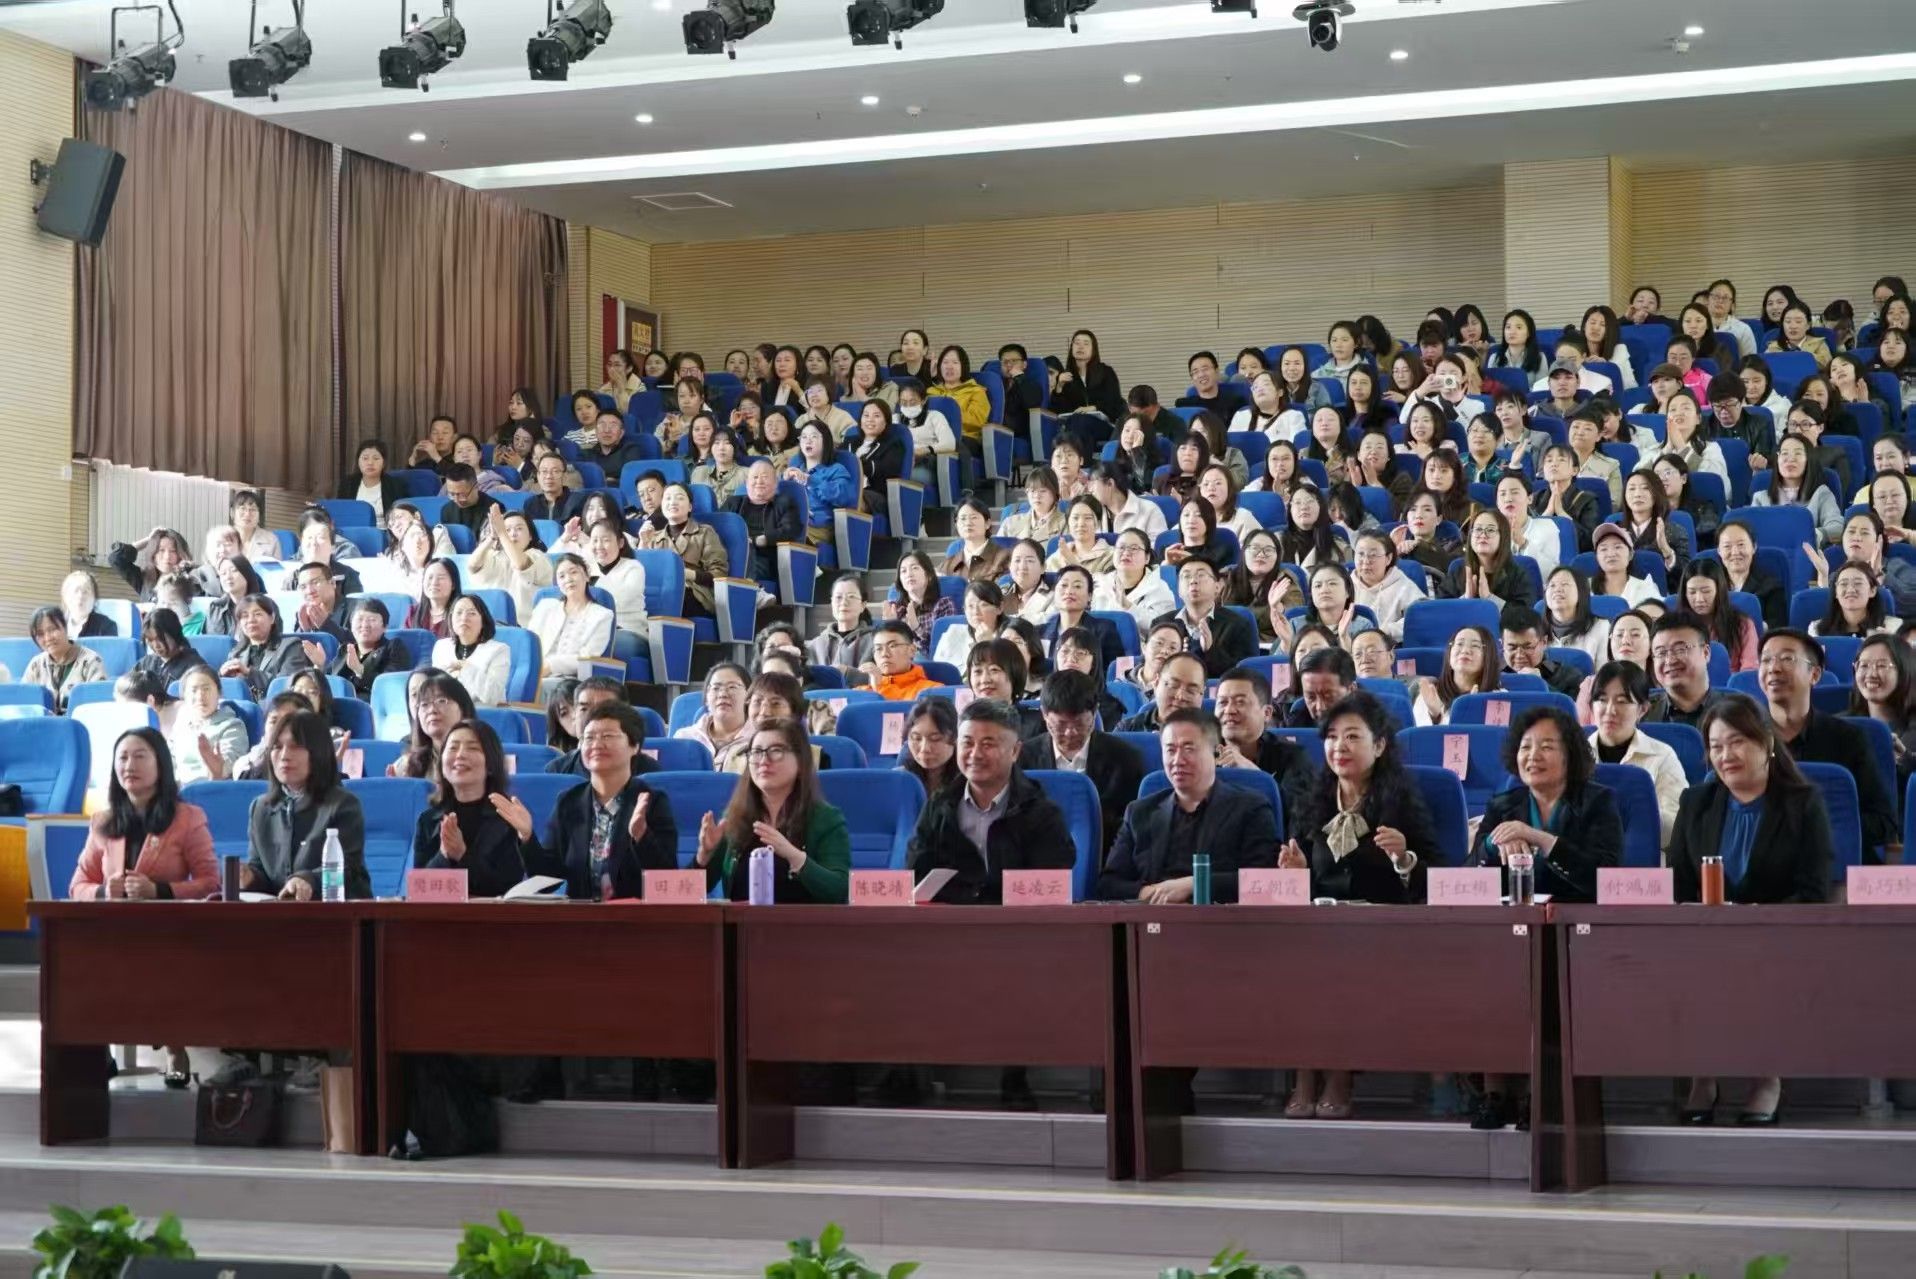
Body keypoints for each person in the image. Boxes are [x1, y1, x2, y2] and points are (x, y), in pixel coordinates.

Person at [1668, 695, 1833, 1126]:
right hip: (1707, 937)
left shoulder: (1802, 804)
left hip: (1778, 936)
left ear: (1767, 743)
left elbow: (1813, 890)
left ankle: (1766, 1077)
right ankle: (1703, 1076)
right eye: (1716, 746)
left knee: (1760, 962)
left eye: (1737, 742)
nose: (1726, 755)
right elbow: (1678, 886)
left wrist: (1762, 915)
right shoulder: (1696, 803)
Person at [499, 703, 679, 900]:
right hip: (581, 915)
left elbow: (666, 878)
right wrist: (527, 836)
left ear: (634, 746)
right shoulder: (569, 801)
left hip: (633, 915)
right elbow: (549, 879)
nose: (596, 744)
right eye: (589, 738)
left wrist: (642, 836)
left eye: (608, 736)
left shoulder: (652, 802)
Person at [1098, 708, 1280, 903]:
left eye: (1189, 749)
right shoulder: (1139, 813)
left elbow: (1262, 881)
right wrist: (1152, 893)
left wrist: (1193, 885)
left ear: (1217, 753)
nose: (1178, 761)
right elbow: (1108, 884)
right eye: (1170, 750)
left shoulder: (1251, 809)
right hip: (1152, 916)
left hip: (1220, 917)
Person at [1759, 628, 1897, 853]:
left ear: (1814, 674)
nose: (1773, 668)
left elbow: (1884, 824)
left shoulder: (1848, 739)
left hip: (1835, 862)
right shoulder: (1746, 739)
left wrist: (1817, 827)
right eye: (1766, 660)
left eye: (1787, 658)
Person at [1468, 705, 1622, 904]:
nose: (1533, 755)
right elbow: (1466, 878)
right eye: (1525, 747)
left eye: (1546, 747)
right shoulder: (1501, 806)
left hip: (1578, 917)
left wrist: (1541, 839)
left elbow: (1607, 880)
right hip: (1513, 918)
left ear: (1569, 756)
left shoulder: (1598, 802)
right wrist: (1492, 844)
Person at [692, 716, 850, 904]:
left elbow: (839, 892)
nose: (763, 761)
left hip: (805, 923)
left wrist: (795, 857)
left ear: (801, 762)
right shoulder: (735, 818)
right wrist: (703, 858)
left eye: (776, 751)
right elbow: (689, 892)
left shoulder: (826, 819)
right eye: (756, 752)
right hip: (742, 922)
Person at [1017, 669, 1147, 863]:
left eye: (1079, 723)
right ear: (1044, 714)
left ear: (1094, 713)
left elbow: (1129, 832)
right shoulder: (1023, 760)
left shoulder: (1125, 759)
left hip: (1105, 862)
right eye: (1061, 724)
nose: (1070, 732)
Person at [242, 710, 370, 899]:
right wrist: (248, 877)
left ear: (318, 753)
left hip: (335, 910)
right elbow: (262, 873)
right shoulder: (260, 808)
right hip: (281, 912)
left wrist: (309, 880)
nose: (284, 756)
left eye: (295, 746)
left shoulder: (343, 805)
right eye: (277, 747)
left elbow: (348, 869)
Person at [405, 719, 530, 898]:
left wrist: (462, 856)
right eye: (453, 748)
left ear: (491, 764)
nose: (460, 755)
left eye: (472, 748)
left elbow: (509, 889)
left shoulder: (508, 818)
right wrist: (444, 855)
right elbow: (419, 891)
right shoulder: (428, 820)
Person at [1587, 660, 1686, 848]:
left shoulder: (1662, 756)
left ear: (1642, 709)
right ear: (1591, 706)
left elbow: (1676, 827)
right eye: (1602, 700)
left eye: (1622, 701)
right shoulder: (1573, 756)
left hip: (1643, 860)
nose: (1610, 710)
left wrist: (1633, 812)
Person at [1213, 664, 1317, 828]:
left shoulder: (1292, 757)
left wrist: (1255, 775)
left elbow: (1299, 816)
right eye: (1222, 702)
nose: (1229, 710)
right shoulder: (1203, 754)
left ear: (1267, 713)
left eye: (1240, 702)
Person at [1153, 558, 1255, 679]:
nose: (1193, 581)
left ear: (1217, 587)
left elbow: (1244, 675)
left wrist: (1210, 650)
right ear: (1179, 590)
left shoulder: (1238, 625)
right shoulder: (1161, 624)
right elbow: (1151, 667)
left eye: (1201, 575)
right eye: (1186, 576)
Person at [526, 553, 617, 684]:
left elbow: (588, 658)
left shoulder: (602, 615)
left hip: (570, 680)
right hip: (535, 672)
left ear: (587, 575)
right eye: (561, 576)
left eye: (573, 572)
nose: (568, 579)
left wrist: (550, 666)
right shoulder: (545, 607)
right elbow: (529, 645)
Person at [1816, 510, 1916, 620]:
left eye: (1865, 533)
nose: (1856, 538)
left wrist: (1880, 577)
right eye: (1851, 531)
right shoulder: (1836, 576)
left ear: (1879, 541)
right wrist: (1823, 581)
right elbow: (1829, 615)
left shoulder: (1895, 566)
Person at [1750, 434, 1843, 545]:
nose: (1790, 459)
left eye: (1798, 453)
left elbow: (1838, 527)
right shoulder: (1761, 498)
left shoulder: (1820, 494)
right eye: (1784, 453)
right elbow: (1749, 533)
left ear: (1809, 459)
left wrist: (1815, 534)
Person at [1440, 507, 1536, 610]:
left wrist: (1490, 599)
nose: (1483, 535)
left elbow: (1525, 615)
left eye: (1490, 530)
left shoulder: (1518, 575)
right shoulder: (1457, 571)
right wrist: (1465, 600)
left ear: (1503, 537)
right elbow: (1440, 611)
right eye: (1478, 529)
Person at [165, 666, 247, 785]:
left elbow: (227, 766)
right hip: (175, 788)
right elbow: (168, 760)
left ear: (219, 693)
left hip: (210, 788)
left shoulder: (232, 726)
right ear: (184, 697)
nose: (200, 697)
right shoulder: (181, 724)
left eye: (206, 689)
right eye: (193, 690)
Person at [220, 594, 311, 700]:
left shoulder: (290, 646)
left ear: (272, 618)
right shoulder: (236, 653)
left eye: (257, 614)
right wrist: (222, 676)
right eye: (245, 616)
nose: (251, 620)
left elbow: (286, 685)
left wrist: (249, 673)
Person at [1413, 625, 1502, 727]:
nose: (1465, 650)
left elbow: (1498, 735)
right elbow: (1420, 735)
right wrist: (1435, 716)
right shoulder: (1431, 695)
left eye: (1475, 646)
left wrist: (1474, 715)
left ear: (1488, 657)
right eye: (1459, 644)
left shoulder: (1500, 698)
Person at [430, 595, 510, 706]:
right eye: (459, 613)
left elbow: (493, 696)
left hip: (483, 713)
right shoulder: (441, 647)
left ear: (483, 620)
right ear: (451, 618)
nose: (464, 618)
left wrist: (465, 667)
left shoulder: (498, 650)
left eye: (471, 613)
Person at [1680, 559, 1759, 671]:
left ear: (1719, 590)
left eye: (1706, 591)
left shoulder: (1742, 624)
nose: (1699, 599)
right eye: (1692, 592)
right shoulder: (1676, 628)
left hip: (1730, 682)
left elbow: (1749, 670)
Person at [1500, 605, 1584, 696]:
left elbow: (1576, 705)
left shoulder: (1569, 677)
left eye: (1528, 647)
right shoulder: (1493, 678)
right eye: (1512, 648)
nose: (1519, 655)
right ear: (1502, 644)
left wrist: (1541, 686)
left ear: (1544, 642)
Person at [1117, 650, 1207, 734]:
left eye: (1191, 691)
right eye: (1173, 685)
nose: (1180, 696)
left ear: (1202, 694)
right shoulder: (1128, 729)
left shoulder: (1211, 735)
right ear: (1157, 683)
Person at [887, 551, 955, 654]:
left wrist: (916, 628)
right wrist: (890, 626)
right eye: (903, 571)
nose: (909, 574)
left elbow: (942, 650)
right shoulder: (896, 610)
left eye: (914, 568)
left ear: (929, 575)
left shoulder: (944, 604)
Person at [1541, 566, 1610, 664]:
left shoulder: (1600, 627)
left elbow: (1603, 671)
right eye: (1552, 585)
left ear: (1581, 591)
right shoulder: (1536, 631)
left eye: (1565, 584)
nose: (1557, 590)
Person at [807, 576, 875, 675]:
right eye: (838, 597)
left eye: (851, 597)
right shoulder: (816, 644)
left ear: (863, 605)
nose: (844, 602)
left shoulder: (875, 641)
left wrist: (849, 673)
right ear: (831, 603)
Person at [108, 526, 193, 603]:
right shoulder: (144, 579)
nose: (167, 556)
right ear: (153, 554)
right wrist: (149, 540)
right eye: (161, 550)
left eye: (173, 551)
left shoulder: (192, 579)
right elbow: (115, 559)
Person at [1087, 461, 1168, 541]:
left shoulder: (1150, 510)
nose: (1090, 490)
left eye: (1092, 484)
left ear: (1110, 483)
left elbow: (1158, 546)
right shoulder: (1093, 513)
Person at [940, 499, 1011, 584]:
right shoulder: (947, 565)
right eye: (963, 518)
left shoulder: (1005, 558)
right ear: (956, 525)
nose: (968, 523)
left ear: (987, 523)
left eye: (974, 517)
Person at [898, 697, 959, 797]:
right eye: (916, 738)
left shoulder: (971, 782)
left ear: (955, 738)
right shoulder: (898, 779)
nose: (924, 749)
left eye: (935, 739)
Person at [1589, 522, 1660, 607]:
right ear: (1597, 557)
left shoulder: (1646, 589)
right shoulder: (1584, 588)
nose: (1611, 554)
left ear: (1630, 555)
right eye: (1604, 549)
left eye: (1617, 547)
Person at [868, 620, 940, 701]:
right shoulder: (862, 692)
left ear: (912, 650)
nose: (885, 654)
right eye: (878, 648)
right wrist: (876, 689)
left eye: (892, 646)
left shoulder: (933, 692)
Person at [1047, 497, 1117, 574]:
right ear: (1068, 522)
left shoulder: (1111, 556)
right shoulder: (1058, 556)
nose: (1081, 524)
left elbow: (1106, 581)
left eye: (1088, 518)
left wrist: (1074, 563)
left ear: (1098, 523)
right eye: (1075, 518)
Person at [1177, 350, 1247, 421]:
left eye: (1205, 369)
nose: (1201, 375)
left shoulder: (1236, 402)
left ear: (1216, 371)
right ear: (1192, 378)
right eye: (1195, 372)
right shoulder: (1184, 405)